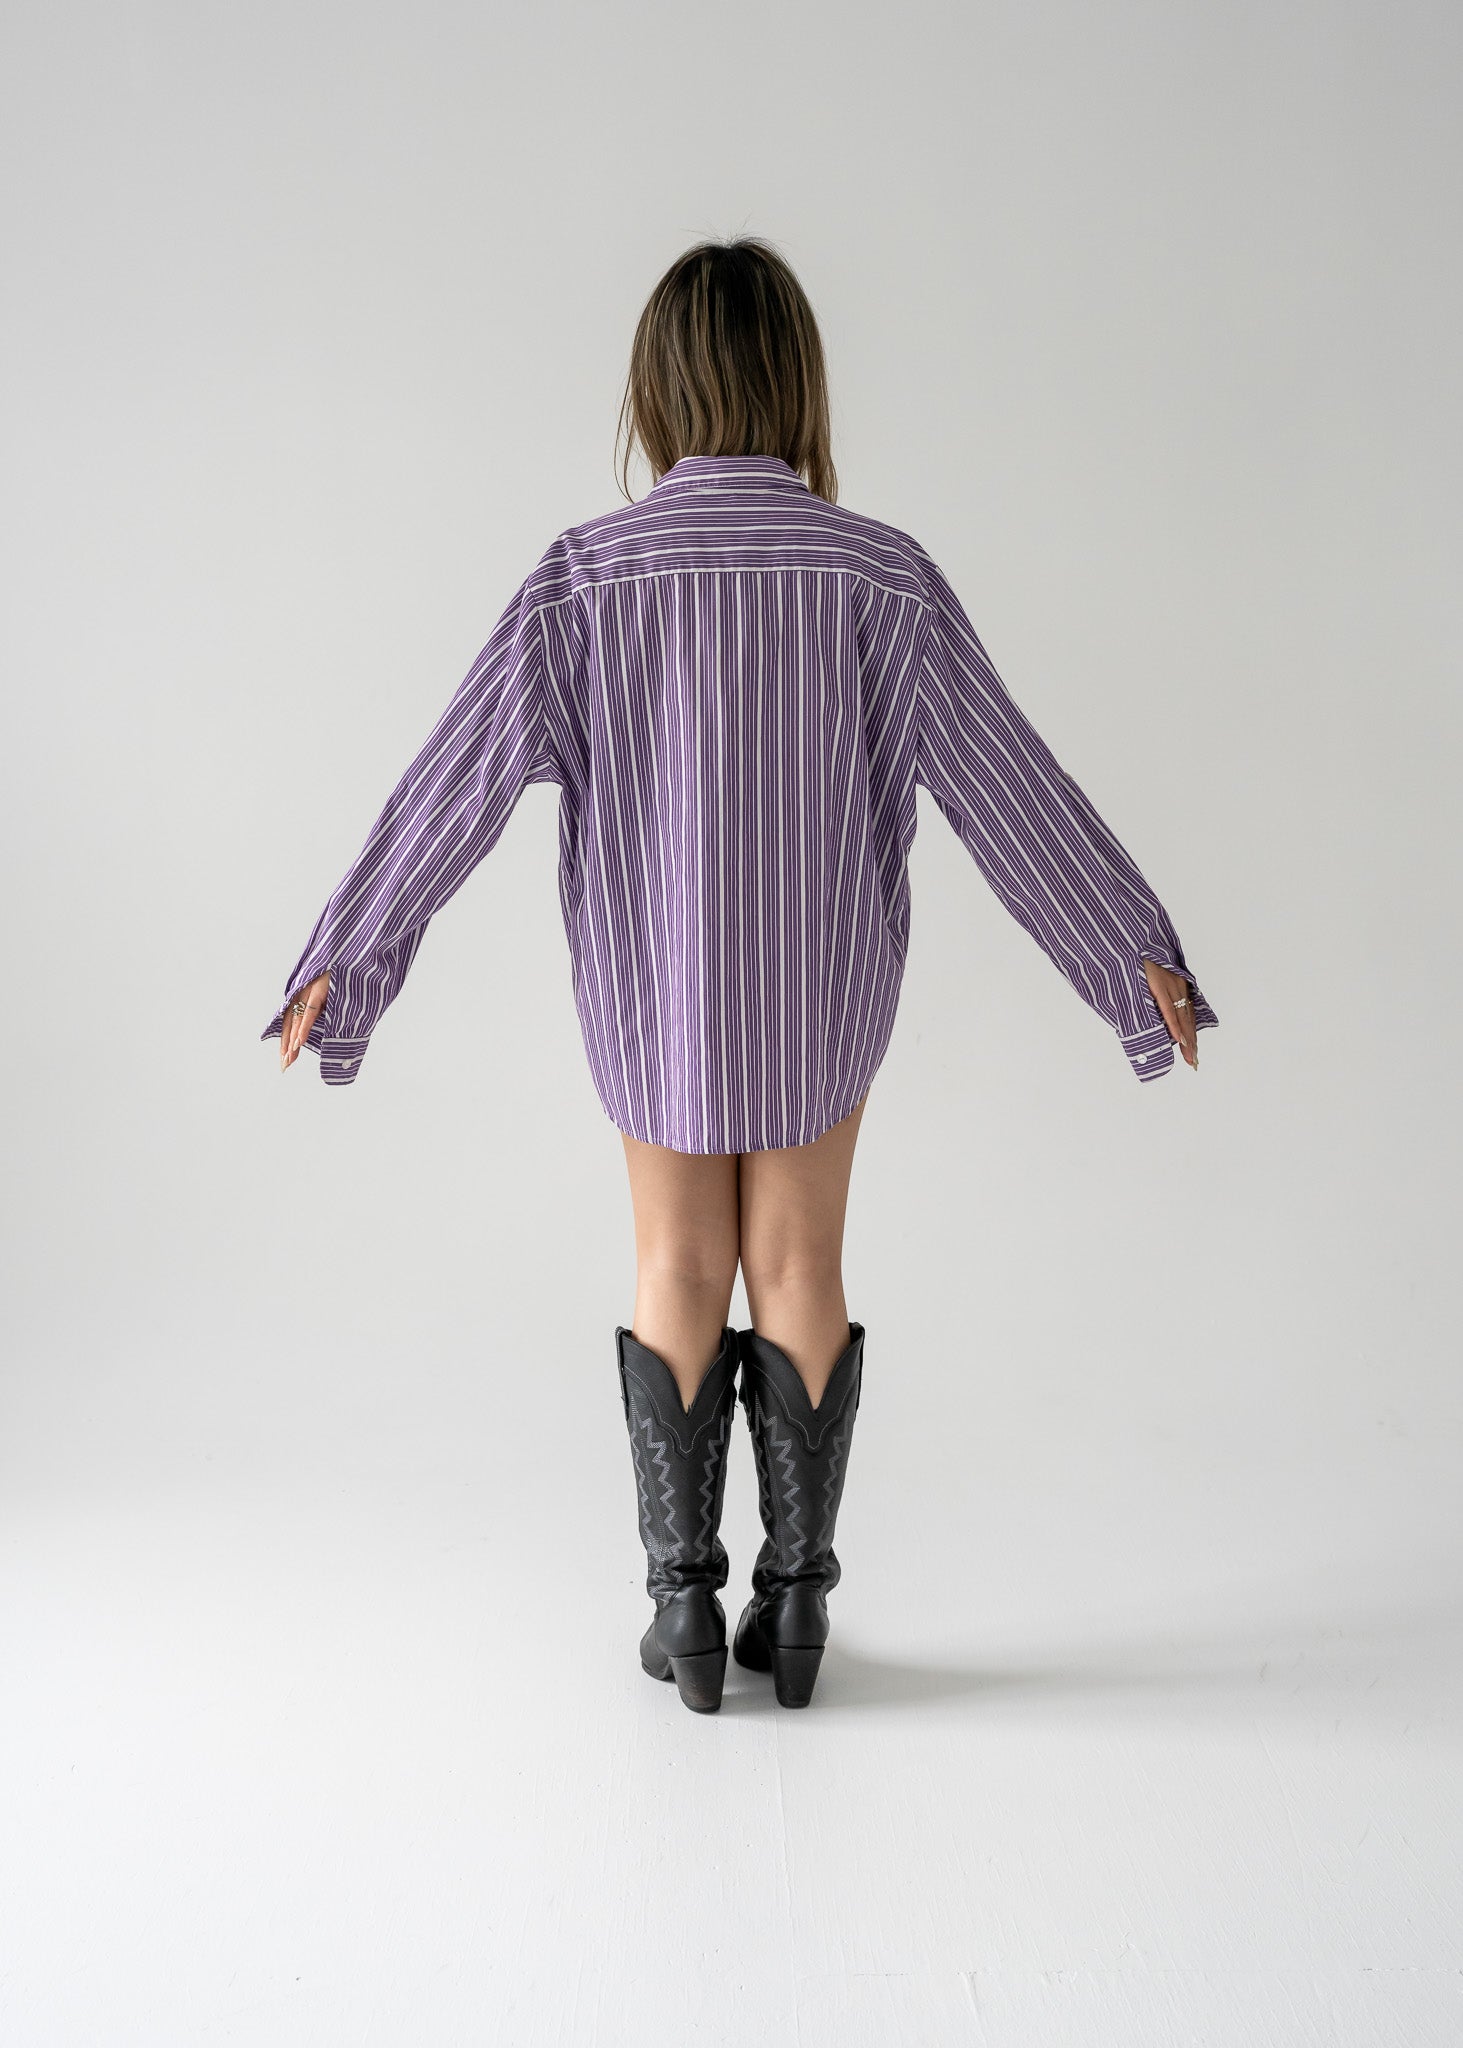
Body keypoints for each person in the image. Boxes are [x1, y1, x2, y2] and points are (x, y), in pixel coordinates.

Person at [260, 235, 1217, 1716]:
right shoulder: (882, 576)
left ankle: (684, 1614)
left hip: (652, 990)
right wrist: (1131, 952)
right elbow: (1006, 783)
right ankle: (799, 1610)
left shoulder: (586, 577)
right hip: (823, 985)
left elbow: (450, 783)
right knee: (800, 1268)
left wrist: (349, 954)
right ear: (796, 384)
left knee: (679, 1267)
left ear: (656, 389)